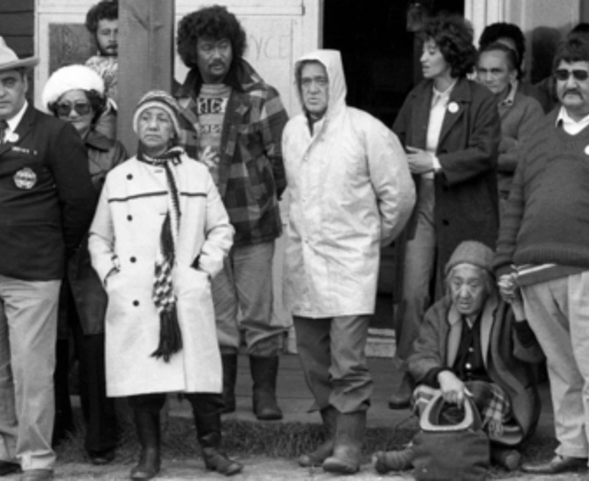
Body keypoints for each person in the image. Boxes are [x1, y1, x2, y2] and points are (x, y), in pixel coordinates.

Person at [495, 37, 589, 481]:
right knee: (563, 372)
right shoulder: (540, 128)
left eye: (581, 75)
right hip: (537, 272)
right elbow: (518, 198)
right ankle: (573, 449)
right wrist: (505, 263)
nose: (570, 83)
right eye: (562, 75)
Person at [0, 37, 96, 481]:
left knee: (32, 366)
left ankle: (37, 457)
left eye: (8, 82)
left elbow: (78, 204)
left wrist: (56, 250)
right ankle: (4, 445)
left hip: (33, 268)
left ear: (25, 83)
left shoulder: (54, 133)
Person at [89, 90, 241, 480]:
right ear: (136, 126)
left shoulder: (194, 173)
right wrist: (114, 279)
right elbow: (98, 239)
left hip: (184, 292)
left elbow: (221, 228)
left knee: (202, 381)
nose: (152, 126)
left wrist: (202, 270)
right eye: (146, 119)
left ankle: (212, 450)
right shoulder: (119, 177)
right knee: (145, 379)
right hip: (138, 294)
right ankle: (150, 454)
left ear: (173, 128)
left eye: (161, 119)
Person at [283, 49, 415, 474]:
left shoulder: (365, 130)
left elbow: (399, 195)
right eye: (306, 82)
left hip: (349, 264)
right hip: (304, 262)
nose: (314, 89)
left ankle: (350, 446)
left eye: (321, 81)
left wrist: (370, 239)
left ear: (335, 82)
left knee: (347, 360)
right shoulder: (290, 132)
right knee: (312, 358)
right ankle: (332, 435)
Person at [175, 5, 289, 421]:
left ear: (233, 46)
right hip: (203, 229)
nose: (216, 55)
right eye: (207, 47)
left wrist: (260, 195)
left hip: (252, 223)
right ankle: (224, 393)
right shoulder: (178, 100)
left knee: (259, 312)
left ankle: (264, 394)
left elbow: (283, 162)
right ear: (194, 51)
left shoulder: (262, 96)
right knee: (218, 314)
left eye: (223, 45)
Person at [390, 14, 500, 410]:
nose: (423, 56)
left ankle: (458, 374)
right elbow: (395, 144)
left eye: (432, 50)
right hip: (423, 206)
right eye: (424, 49)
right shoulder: (417, 96)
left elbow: (486, 152)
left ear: (450, 54)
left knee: (454, 291)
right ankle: (411, 370)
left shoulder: (480, 98)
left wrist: (436, 163)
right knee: (414, 292)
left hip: (465, 209)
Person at [373, 241, 543, 474]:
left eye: (473, 284)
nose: (463, 294)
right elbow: (421, 356)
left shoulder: (504, 311)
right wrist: (444, 376)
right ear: (448, 285)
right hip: (451, 395)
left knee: (478, 392)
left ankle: (414, 453)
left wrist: (518, 309)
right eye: (457, 283)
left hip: (499, 403)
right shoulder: (439, 312)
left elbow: (531, 354)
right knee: (423, 394)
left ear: (488, 287)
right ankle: (492, 452)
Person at [41, 64, 126, 465]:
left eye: (81, 107)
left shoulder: (113, 151)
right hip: (51, 256)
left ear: (95, 109)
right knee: (52, 347)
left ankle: (101, 437)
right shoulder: (41, 146)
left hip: (93, 262)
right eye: (64, 108)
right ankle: (57, 430)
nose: (74, 115)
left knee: (94, 347)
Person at [475, 42, 543, 212]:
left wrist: (474, 157)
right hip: (467, 197)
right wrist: (508, 144)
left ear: (512, 75)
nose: (487, 78)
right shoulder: (466, 106)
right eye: (482, 71)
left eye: (496, 71)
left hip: (505, 199)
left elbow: (525, 158)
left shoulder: (529, 107)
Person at [478, 22, 551, 112]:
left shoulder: (535, 99)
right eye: (495, 50)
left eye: (508, 52)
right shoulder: (467, 96)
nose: (488, 78)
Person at [84, 0, 118, 139]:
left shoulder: (138, 63)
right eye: (105, 32)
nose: (112, 38)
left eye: (118, 31)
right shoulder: (88, 68)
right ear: (95, 35)